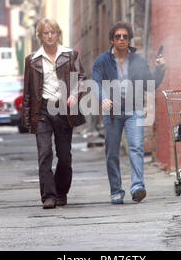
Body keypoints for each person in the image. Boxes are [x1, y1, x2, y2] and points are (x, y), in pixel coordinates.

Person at [92, 22, 166, 204]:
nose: (122, 39)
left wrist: (159, 69)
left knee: (136, 147)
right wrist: (103, 98)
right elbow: (96, 83)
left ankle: (137, 187)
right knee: (112, 152)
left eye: (125, 36)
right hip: (112, 111)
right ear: (112, 40)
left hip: (134, 109)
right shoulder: (102, 61)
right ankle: (116, 190)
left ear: (129, 39)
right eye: (118, 36)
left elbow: (150, 84)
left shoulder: (138, 61)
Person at [21, 18, 86, 209]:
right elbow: (27, 91)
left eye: (52, 32)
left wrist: (74, 93)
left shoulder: (70, 55)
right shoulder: (32, 60)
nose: (49, 36)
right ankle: (48, 196)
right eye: (45, 33)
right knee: (45, 153)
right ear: (40, 36)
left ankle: (61, 191)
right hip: (42, 110)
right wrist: (27, 119)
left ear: (58, 34)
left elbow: (81, 78)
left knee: (64, 156)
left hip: (63, 109)